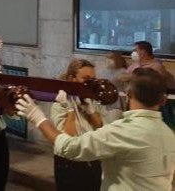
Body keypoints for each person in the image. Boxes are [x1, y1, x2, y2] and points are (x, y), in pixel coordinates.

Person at [16, 67, 175, 191]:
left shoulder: (125, 130)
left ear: (128, 94)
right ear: (162, 100)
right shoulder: (168, 133)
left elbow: (69, 147)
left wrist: (37, 117)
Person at [51, 59, 105, 191]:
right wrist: (70, 109)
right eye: (86, 79)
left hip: (92, 158)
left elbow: (101, 127)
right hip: (69, 163)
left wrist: (90, 109)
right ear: (72, 78)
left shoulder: (92, 101)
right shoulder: (59, 104)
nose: (90, 83)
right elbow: (67, 137)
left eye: (93, 79)